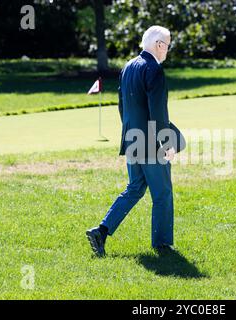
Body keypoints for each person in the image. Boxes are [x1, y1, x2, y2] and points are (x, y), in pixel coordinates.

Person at [86, 25, 179, 257]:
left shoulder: (128, 67)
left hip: (131, 138)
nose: (167, 50)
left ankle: (101, 231)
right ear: (158, 45)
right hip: (149, 142)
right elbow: (158, 110)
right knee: (163, 193)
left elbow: (122, 106)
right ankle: (162, 245)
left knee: (135, 188)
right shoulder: (154, 69)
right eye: (167, 46)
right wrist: (166, 143)